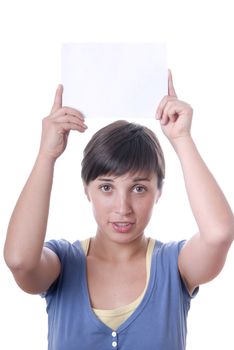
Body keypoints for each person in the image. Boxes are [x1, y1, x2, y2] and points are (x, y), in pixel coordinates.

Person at [4, 71, 234, 350]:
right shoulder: (62, 263)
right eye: (106, 188)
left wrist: (182, 138)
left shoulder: (175, 265)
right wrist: (46, 156)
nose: (122, 208)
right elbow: (19, 261)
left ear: (158, 191)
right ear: (86, 188)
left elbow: (219, 233)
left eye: (138, 188)